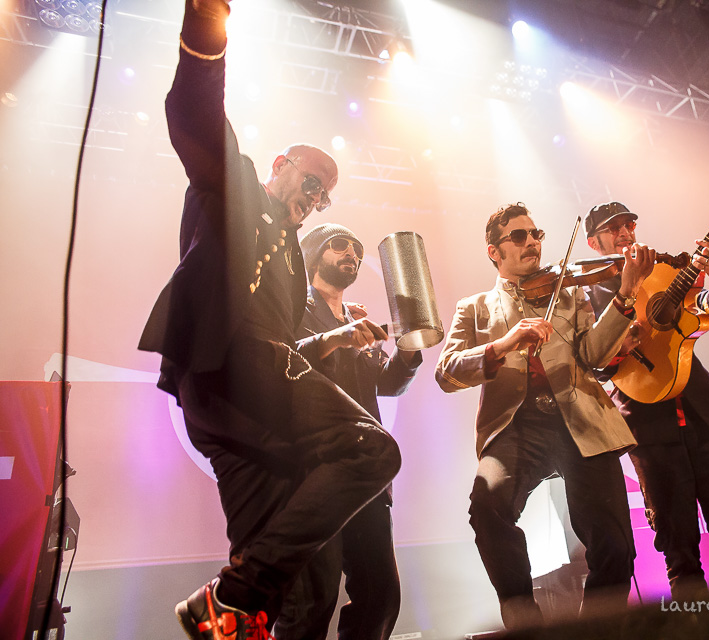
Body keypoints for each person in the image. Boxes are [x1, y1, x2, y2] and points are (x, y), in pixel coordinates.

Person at [138, 2, 401, 638]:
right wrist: (207, 25)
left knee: (305, 590)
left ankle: (232, 606)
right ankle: (233, 594)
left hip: (246, 413)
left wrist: (339, 341)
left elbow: (290, 348)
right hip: (228, 369)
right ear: (281, 165)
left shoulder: (291, 262)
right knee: (372, 449)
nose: (315, 199)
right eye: (311, 182)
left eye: (324, 196)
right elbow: (195, 115)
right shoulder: (238, 189)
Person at [434, 203, 656, 628]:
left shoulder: (570, 293)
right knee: (487, 506)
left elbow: (595, 356)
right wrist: (503, 344)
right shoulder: (475, 307)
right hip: (516, 426)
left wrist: (625, 295)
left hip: (580, 418)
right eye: (518, 236)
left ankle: (595, 633)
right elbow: (446, 373)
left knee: (615, 547)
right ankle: (526, 625)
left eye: (535, 234)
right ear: (494, 251)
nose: (532, 242)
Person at [581, 201, 709, 599]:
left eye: (629, 224)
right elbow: (596, 364)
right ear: (593, 242)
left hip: (703, 414)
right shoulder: (587, 295)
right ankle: (692, 626)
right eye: (612, 228)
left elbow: (706, 311)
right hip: (647, 427)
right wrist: (621, 343)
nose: (624, 232)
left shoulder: (663, 269)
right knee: (679, 550)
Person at [273, 223, 422, 640]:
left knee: (380, 595)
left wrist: (409, 349)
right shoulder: (292, 308)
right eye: (339, 245)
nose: (351, 254)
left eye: (356, 249)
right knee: (312, 602)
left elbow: (387, 384)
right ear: (313, 254)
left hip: (365, 474)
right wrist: (334, 338)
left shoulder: (357, 317)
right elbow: (282, 364)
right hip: (314, 473)